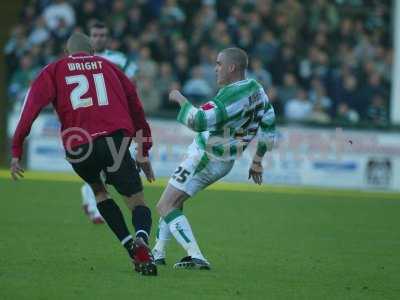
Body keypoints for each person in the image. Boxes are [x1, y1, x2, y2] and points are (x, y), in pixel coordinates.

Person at [10, 32, 157, 276]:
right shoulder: (110, 67)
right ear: (92, 51)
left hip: (78, 144)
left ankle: (129, 246)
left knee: (99, 192)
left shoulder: (54, 70)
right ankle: (141, 238)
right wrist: (144, 149)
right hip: (114, 140)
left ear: (68, 52)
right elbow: (136, 107)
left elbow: (30, 108)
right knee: (136, 201)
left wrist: (16, 149)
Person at [152, 47, 276, 269]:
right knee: (175, 202)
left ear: (231, 67)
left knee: (164, 205)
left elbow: (198, 121)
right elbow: (269, 122)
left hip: (206, 156)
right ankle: (158, 252)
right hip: (224, 160)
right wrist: (257, 160)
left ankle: (196, 255)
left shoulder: (231, 95)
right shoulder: (258, 90)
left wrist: (180, 98)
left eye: (218, 64)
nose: (215, 69)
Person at [81, 21, 139, 224]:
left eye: (102, 35)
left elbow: (132, 85)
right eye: (95, 35)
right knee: (96, 159)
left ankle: (90, 198)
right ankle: (94, 205)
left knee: (113, 159)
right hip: (90, 117)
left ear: (108, 37)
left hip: (113, 116)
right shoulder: (80, 60)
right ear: (89, 37)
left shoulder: (120, 60)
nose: (98, 38)